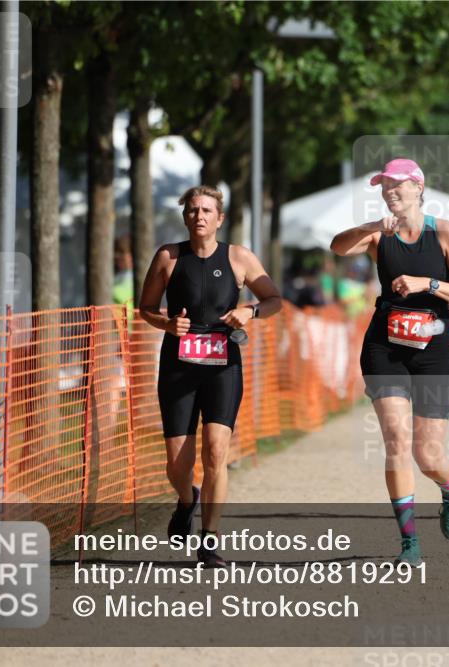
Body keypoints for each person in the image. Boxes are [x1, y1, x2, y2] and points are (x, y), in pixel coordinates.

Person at [330, 158, 449, 566]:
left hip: (436, 350)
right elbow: (337, 247)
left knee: (427, 454)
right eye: (385, 187)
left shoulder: (444, 233)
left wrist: (428, 284)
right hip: (387, 347)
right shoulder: (380, 236)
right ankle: (409, 542)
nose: (391, 192)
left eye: (398, 185)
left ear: (418, 187)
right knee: (396, 441)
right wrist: (370, 229)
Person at [139, 185, 282, 565]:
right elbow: (146, 308)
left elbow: (274, 300)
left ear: (219, 218)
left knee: (216, 450)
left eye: (206, 210)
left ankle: (209, 539)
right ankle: (187, 499)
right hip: (178, 366)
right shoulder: (169, 257)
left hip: (223, 364)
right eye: (192, 210)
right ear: (185, 216)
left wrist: (251, 312)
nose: (198, 216)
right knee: (177, 464)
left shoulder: (238, 257)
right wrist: (167, 325)